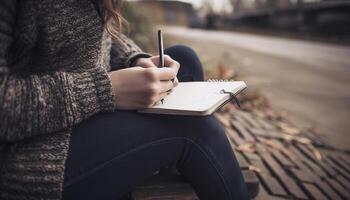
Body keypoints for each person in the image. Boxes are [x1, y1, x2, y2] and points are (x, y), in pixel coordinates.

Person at [0, 0, 249, 200]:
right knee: (193, 128)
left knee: (186, 61)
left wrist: (135, 60)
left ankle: (179, 165)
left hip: (76, 117)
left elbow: (102, 36)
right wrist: (104, 89)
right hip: (30, 151)